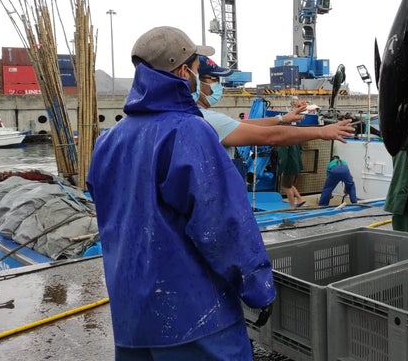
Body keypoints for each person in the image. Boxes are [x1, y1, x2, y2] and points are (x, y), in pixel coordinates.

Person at [86, 26, 274, 359]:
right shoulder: (190, 131)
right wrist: (258, 288)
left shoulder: (109, 140)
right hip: (193, 317)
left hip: (131, 317)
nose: (200, 77)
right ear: (183, 72)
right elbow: (223, 225)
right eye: (198, 68)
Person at [193, 56, 355, 183]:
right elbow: (271, 137)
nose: (218, 85)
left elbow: (240, 125)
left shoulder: (195, 116)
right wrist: (322, 131)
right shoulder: (206, 119)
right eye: (213, 79)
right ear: (194, 81)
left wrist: (282, 118)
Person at [277, 143, 305, 209]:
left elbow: (283, 158)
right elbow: (300, 151)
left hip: (289, 167)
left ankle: (292, 206)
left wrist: (279, 170)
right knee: (290, 184)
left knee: (286, 187)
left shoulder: (284, 143)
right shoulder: (295, 141)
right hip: (296, 165)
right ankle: (300, 199)